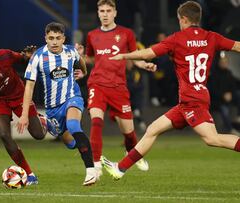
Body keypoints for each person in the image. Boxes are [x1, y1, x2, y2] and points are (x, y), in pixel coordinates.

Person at [100, 1, 240, 180]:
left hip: (191, 100)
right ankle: (120, 168)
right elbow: (237, 45)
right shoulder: (211, 37)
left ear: (183, 19)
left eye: (179, 20)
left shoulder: (176, 39)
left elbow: (148, 53)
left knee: (212, 139)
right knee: (153, 129)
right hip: (193, 98)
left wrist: (124, 55)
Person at [17, 22, 98, 186]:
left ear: (63, 39)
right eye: (51, 38)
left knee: (74, 125)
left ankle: (91, 170)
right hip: (53, 108)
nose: (54, 42)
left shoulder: (70, 51)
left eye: (58, 38)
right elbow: (29, 87)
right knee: (70, 143)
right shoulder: (38, 57)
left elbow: (81, 62)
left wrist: (84, 72)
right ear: (45, 38)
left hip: (72, 97)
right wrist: (24, 114)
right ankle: (88, 150)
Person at [84, 0, 156, 176]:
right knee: (96, 120)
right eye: (102, 11)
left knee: (129, 133)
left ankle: (131, 153)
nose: (105, 14)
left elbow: (134, 56)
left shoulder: (127, 34)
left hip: (118, 87)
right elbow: (90, 58)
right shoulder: (92, 35)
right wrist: (79, 59)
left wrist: (143, 65)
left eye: (109, 10)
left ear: (115, 13)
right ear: (98, 13)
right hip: (97, 83)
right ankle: (95, 166)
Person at [0, 40, 48, 185]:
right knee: (5, 135)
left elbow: (23, 59)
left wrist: (27, 56)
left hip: (18, 94)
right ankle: (29, 174)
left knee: (39, 135)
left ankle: (42, 119)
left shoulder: (4, 56)